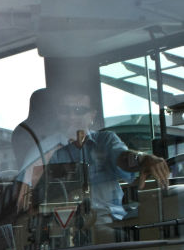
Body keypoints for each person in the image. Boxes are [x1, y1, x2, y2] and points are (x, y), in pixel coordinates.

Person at [16, 89, 170, 222]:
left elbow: (123, 158)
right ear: (57, 114)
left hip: (116, 221)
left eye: (79, 111)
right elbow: (23, 199)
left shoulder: (105, 140)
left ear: (92, 116)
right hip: (69, 230)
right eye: (65, 110)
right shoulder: (43, 151)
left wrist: (143, 159)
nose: (71, 116)